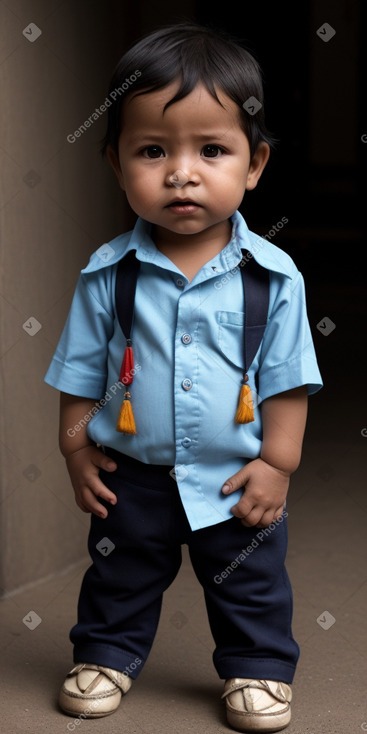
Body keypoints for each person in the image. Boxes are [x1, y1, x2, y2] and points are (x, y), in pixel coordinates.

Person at [44, 22, 323, 732]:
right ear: (115, 164)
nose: (181, 172)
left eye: (212, 150)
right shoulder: (109, 273)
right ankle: (105, 654)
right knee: (120, 574)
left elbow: (287, 381)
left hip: (236, 475)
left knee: (250, 584)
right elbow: (78, 371)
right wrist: (77, 451)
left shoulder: (273, 278)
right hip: (131, 471)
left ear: (254, 164)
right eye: (151, 151)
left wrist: (276, 465)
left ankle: (257, 669)